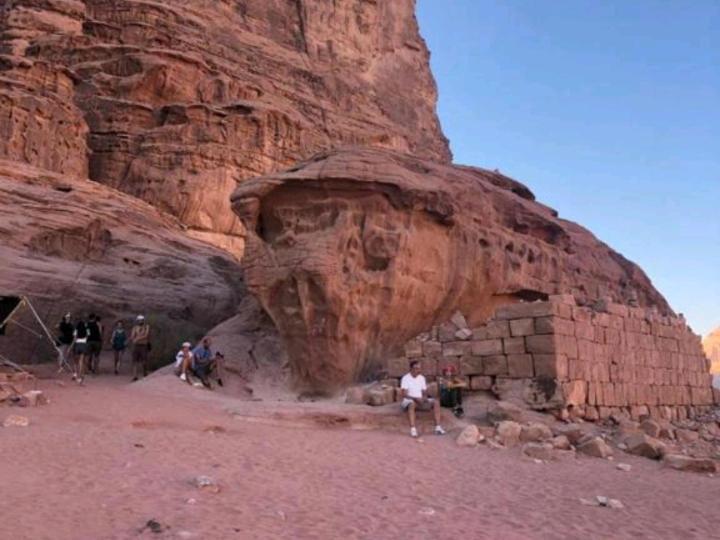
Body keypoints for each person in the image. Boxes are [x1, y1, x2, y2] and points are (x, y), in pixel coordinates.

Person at [400, 360, 445, 438]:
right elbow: (404, 394)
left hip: (420, 400)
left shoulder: (422, 378)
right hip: (409, 400)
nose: (418, 370)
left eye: (419, 368)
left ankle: (438, 427)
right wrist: (416, 399)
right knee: (412, 404)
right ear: (411, 369)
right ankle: (413, 429)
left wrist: (424, 398)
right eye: (416, 368)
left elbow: (424, 392)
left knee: (436, 402)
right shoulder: (405, 378)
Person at [130, 315, 151, 382]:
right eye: (139, 320)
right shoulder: (135, 327)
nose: (140, 321)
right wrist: (134, 338)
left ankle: (145, 373)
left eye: (141, 320)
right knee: (134, 360)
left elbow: (146, 335)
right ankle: (135, 376)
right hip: (136, 345)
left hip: (143, 345)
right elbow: (132, 336)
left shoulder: (146, 327)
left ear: (143, 320)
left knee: (144, 361)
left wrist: (138, 338)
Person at [72, 319, 89, 384]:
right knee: (81, 361)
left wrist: (72, 346)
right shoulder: (86, 329)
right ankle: (81, 375)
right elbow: (88, 336)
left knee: (76, 360)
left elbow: (74, 338)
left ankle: (76, 373)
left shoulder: (76, 330)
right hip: (84, 344)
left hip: (77, 345)